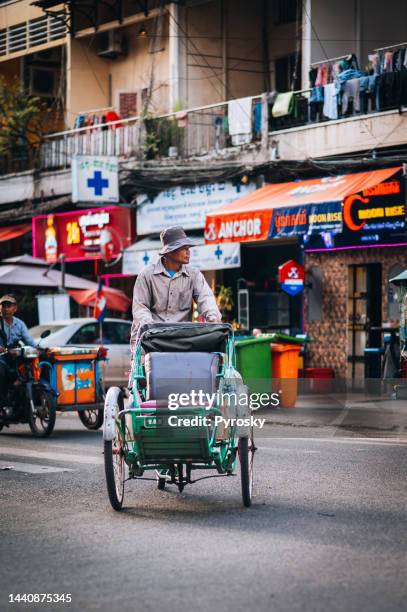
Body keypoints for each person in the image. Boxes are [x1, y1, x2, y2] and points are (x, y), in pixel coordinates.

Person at [130, 226, 221, 356]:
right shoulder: (146, 275)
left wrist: (213, 319)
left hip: (182, 340)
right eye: (184, 248)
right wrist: (152, 331)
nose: (188, 252)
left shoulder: (194, 275)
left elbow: (206, 299)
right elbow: (140, 309)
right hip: (151, 341)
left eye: (188, 248)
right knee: (150, 372)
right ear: (170, 252)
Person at [0, 294, 36, 404]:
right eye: (3, 306)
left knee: (30, 368)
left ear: (15, 308)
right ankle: (2, 402)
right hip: (1, 358)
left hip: (15, 356)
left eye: (9, 306)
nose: (6, 309)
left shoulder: (19, 324)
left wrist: (39, 349)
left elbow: (29, 341)